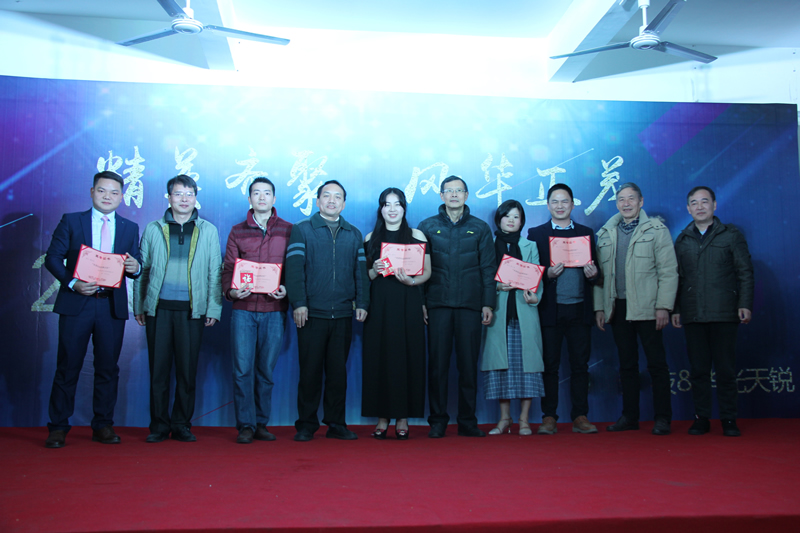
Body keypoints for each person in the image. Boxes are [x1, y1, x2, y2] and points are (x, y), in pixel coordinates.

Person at [43, 171, 141, 448]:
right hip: (77, 303)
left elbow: (135, 264)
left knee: (108, 368)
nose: (107, 196)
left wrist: (136, 267)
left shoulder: (129, 227)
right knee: (67, 366)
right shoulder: (72, 220)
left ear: (121, 197)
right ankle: (58, 427)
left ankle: (103, 425)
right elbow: (53, 258)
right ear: (92, 192)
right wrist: (73, 283)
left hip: (111, 305)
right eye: (102, 190)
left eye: (114, 192)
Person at [134, 175, 222, 443]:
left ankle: (182, 424)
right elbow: (142, 270)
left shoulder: (208, 230)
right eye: (178, 194)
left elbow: (215, 271)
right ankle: (159, 426)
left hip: (192, 311)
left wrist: (213, 308)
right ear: (168, 197)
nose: (184, 199)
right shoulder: (153, 228)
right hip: (158, 310)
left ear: (196, 198)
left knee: (187, 371)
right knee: (158, 372)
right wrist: (139, 305)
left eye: (189, 194)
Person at [285, 180, 370, 442]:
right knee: (309, 372)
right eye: (327, 196)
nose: (332, 201)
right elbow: (294, 270)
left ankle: (336, 423)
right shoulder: (302, 229)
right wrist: (299, 303)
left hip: (343, 313)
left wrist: (362, 303)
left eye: (338, 197)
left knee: (337, 374)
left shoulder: (353, 234)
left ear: (343, 203)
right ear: (318, 201)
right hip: (311, 313)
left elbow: (360, 273)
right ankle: (306, 425)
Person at [594, 182, 678, 435]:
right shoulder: (605, 233)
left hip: (649, 307)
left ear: (641, 202)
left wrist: (664, 306)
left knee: (657, 365)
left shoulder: (657, 230)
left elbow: (668, 271)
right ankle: (629, 416)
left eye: (631, 198)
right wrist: (600, 308)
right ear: (616, 203)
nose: (626, 203)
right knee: (626, 365)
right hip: (617, 307)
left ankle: (662, 418)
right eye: (621, 199)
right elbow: (599, 277)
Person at [672, 186, 754, 437]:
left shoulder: (731, 235)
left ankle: (729, 419)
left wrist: (744, 303)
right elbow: (677, 278)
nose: (700, 207)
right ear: (688, 208)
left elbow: (745, 272)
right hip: (693, 313)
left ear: (714, 205)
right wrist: (676, 309)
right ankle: (701, 418)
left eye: (704, 202)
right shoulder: (682, 239)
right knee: (698, 370)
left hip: (724, 312)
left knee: (726, 370)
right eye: (694, 203)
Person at [418, 175, 496, 438]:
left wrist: (488, 302)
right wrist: (422, 303)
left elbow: (488, 269)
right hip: (438, 304)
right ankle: (437, 421)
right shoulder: (427, 226)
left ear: (466, 195)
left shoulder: (480, 228)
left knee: (468, 366)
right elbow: (419, 268)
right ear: (441, 195)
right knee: (437, 366)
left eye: (459, 190)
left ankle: (467, 421)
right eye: (448, 191)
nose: (454, 195)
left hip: (470, 305)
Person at [221, 177, 292, 444]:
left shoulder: (288, 230)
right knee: (242, 370)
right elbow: (229, 269)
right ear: (249, 198)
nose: (262, 197)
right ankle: (246, 425)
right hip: (243, 309)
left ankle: (261, 423)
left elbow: (294, 268)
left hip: (274, 309)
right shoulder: (237, 231)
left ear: (274, 198)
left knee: (265, 371)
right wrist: (231, 292)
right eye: (256, 193)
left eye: (267, 193)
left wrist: (287, 289)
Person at [527, 183, 601, 435]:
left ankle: (580, 416)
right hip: (551, 310)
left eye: (565, 201)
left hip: (580, 309)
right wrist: (546, 274)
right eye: (555, 201)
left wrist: (593, 274)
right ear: (548, 205)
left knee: (580, 365)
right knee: (550, 365)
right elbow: (530, 273)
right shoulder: (536, 234)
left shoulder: (586, 233)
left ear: (573, 204)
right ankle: (549, 416)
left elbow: (597, 273)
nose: (560, 206)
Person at [361, 188, 431, 440]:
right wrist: (375, 269)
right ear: (380, 209)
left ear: (404, 208)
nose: (392, 209)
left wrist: (411, 282)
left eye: (397, 204)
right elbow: (365, 277)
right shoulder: (371, 238)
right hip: (379, 304)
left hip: (408, 301)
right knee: (379, 358)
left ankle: (403, 417)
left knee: (407, 357)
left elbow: (427, 273)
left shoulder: (416, 235)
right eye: (387, 204)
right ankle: (382, 418)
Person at [481, 200, 544, 436]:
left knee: (528, 367)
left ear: (522, 221)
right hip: (498, 312)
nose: (511, 220)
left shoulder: (530, 245)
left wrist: (535, 296)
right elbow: (483, 276)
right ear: (498, 219)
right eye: (507, 216)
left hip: (524, 311)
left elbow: (537, 278)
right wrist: (498, 287)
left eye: (516, 217)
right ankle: (504, 419)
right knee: (501, 368)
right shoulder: (489, 245)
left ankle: (524, 419)